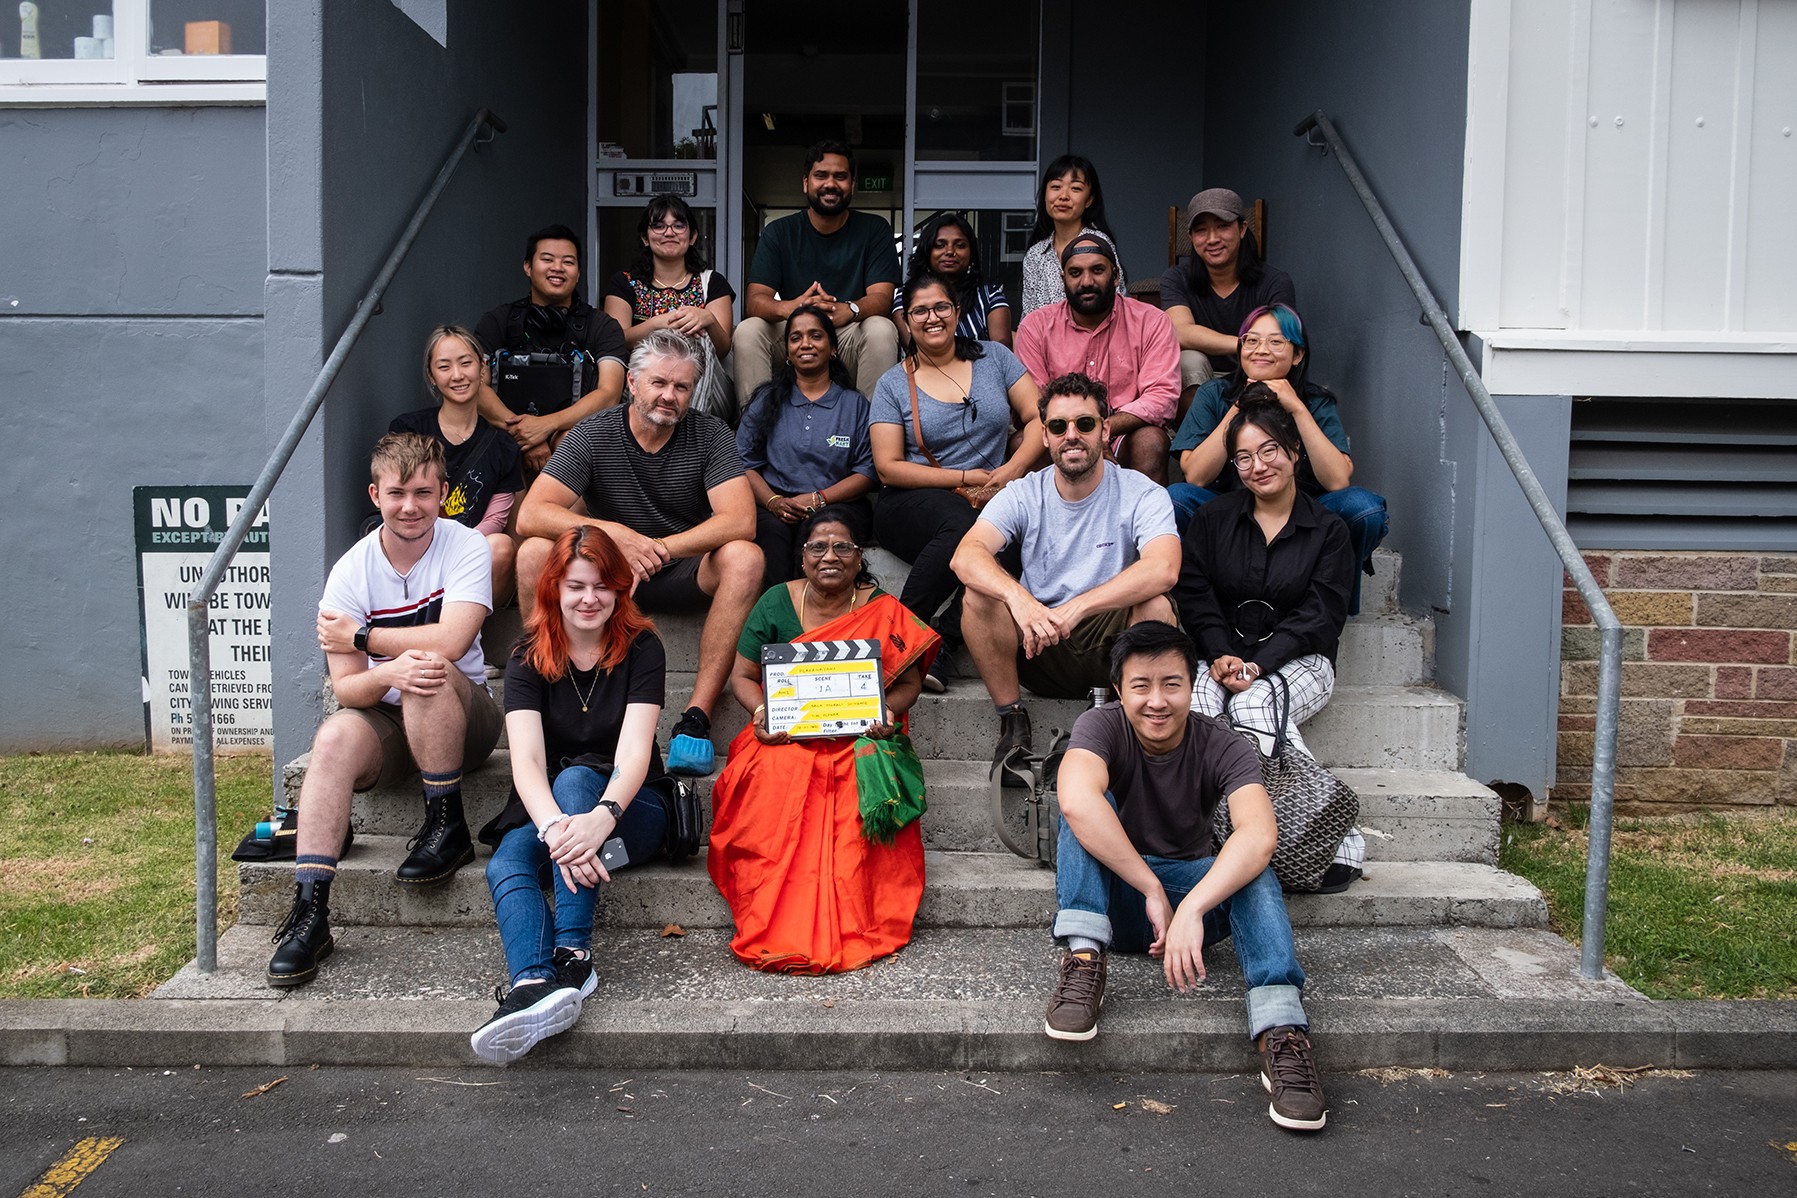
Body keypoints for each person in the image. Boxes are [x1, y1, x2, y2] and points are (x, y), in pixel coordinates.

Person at [1046, 621, 1329, 1131]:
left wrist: (1193, 906)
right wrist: (1151, 888)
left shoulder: (1223, 744)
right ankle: (1085, 957)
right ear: (1119, 690)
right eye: (1141, 686)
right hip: (1119, 898)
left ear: (1192, 686)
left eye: (1171, 684)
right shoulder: (1100, 726)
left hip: (1190, 904)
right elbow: (1077, 800)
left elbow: (1258, 833)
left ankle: (1282, 1031)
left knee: (1253, 870)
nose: (1157, 701)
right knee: (1085, 811)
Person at [266, 433, 501, 988]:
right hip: (389, 719)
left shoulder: (466, 546)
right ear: (375, 494)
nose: (410, 506)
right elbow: (347, 690)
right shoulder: (350, 572)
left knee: (427, 668)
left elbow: (452, 639)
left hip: (465, 715)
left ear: (444, 492)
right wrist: (386, 673)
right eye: (397, 493)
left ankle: (447, 825)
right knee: (333, 739)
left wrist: (368, 637)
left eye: (424, 492)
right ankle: (311, 911)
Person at [515, 328, 762, 777]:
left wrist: (659, 548)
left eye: (682, 387)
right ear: (632, 383)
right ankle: (546, 686)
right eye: (659, 383)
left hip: (679, 569)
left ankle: (695, 719)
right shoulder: (593, 433)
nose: (669, 396)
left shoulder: (710, 433)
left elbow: (740, 520)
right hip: (606, 576)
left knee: (745, 557)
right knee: (533, 551)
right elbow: (531, 514)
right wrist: (611, 535)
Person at [707, 506, 940, 973]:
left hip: (862, 735)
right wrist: (761, 711)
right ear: (802, 557)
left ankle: (856, 912)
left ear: (859, 557)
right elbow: (742, 676)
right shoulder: (775, 601)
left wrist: (889, 712)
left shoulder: (881, 609)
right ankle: (775, 906)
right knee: (773, 778)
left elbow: (908, 683)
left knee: (860, 789)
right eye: (817, 546)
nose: (829, 556)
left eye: (842, 547)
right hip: (787, 734)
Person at [470, 526, 669, 1063]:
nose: (589, 599)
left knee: (580, 778)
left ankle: (573, 954)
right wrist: (560, 828)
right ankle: (533, 986)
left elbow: (634, 757)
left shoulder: (642, 647)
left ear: (619, 589)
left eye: (602, 586)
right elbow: (527, 762)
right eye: (576, 586)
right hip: (555, 814)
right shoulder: (527, 657)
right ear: (553, 588)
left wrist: (598, 820)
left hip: (633, 812)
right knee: (508, 860)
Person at [1175, 389, 1363, 889]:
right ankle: (1216, 836)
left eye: (1268, 451)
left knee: (1255, 707)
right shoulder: (1214, 520)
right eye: (1242, 457)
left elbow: (1320, 617)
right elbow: (1194, 595)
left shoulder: (1329, 530)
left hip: (1302, 661)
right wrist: (1218, 654)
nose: (1257, 465)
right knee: (1196, 711)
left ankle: (1337, 842)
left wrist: (1258, 665)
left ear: (1294, 453)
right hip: (1221, 655)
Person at [952, 372, 1180, 772]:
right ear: (1044, 435)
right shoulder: (1025, 491)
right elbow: (965, 556)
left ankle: (1122, 725)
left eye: (1085, 424)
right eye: (1059, 426)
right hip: (1037, 644)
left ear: (1105, 430)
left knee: (1156, 607)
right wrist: (1019, 599)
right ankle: (1013, 722)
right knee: (978, 595)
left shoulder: (1141, 491)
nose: (1071, 434)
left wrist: (1076, 608)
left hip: (1112, 644)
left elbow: (1163, 567)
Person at [870, 273, 1046, 691]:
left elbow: (1041, 418)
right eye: (920, 311)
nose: (932, 318)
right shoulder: (894, 382)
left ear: (958, 313)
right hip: (910, 501)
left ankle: (944, 644)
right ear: (906, 322)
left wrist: (1011, 471)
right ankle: (900, 637)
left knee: (1023, 537)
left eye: (941, 307)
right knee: (968, 525)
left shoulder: (996, 358)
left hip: (992, 493)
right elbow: (888, 466)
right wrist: (967, 476)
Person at [1168, 303, 1388, 614]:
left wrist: (1297, 408)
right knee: (1174, 500)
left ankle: (1333, 605)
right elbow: (1197, 476)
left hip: (1301, 516)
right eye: (1252, 340)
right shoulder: (1214, 394)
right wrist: (1239, 406)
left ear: (1297, 354)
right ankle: (1202, 600)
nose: (1261, 350)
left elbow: (1338, 480)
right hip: (1230, 511)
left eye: (1276, 341)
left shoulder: (1314, 401)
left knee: (1363, 510)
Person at [735, 140, 903, 408]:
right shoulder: (779, 232)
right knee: (748, 330)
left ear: (853, 185)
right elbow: (755, 300)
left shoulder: (875, 229)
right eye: (821, 175)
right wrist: (796, 308)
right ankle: (754, 431)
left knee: (881, 329)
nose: (830, 184)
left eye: (840, 176)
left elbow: (882, 297)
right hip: (796, 330)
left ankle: (873, 435)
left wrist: (849, 309)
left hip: (847, 332)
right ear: (806, 183)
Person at [1014, 233, 1180, 483]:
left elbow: (1162, 397)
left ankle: (1147, 521)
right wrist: (1082, 429)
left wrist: (1103, 428)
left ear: (1115, 277)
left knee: (1151, 441)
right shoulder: (1035, 327)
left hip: (1124, 431)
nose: (1086, 281)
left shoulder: (1151, 321)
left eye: (1097, 270)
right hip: (1061, 431)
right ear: (1063, 279)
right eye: (1075, 273)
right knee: (1022, 443)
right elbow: (1036, 403)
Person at [735, 304, 877, 589]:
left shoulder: (855, 404)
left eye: (816, 336)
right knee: (771, 539)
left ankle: (819, 627)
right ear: (787, 352)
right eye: (796, 338)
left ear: (833, 348)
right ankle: (781, 623)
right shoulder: (766, 400)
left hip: (837, 504)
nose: (805, 344)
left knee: (817, 535)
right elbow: (743, 464)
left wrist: (819, 499)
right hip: (775, 502)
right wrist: (773, 502)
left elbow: (867, 472)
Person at [388, 325, 524, 609]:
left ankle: (462, 635)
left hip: (469, 552)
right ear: (432, 375)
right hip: (417, 545)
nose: (458, 375)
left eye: (466, 363)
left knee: (500, 547)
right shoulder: (409, 429)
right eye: (444, 366)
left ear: (483, 368)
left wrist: (455, 547)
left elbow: (496, 520)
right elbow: (401, 498)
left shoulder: (502, 445)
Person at [474, 224, 629, 471]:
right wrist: (525, 435)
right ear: (528, 266)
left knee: (571, 442)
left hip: (573, 436)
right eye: (547, 259)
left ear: (578, 273)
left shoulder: (602, 326)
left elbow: (609, 394)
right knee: (505, 447)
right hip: (508, 434)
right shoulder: (497, 321)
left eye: (568, 262)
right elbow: (475, 387)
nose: (557, 268)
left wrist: (546, 426)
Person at [601, 193, 737, 420]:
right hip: (642, 391)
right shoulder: (625, 282)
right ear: (645, 237)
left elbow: (722, 349)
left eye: (678, 225)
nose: (669, 232)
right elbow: (616, 340)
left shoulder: (712, 282)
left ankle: (690, 426)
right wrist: (658, 324)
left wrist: (708, 320)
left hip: (709, 395)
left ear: (692, 236)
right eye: (658, 226)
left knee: (695, 331)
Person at [1159, 188, 1297, 407]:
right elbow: (1180, 332)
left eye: (1223, 226)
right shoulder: (1176, 278)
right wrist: (1244, 343)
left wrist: (1251, 351)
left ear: (1242, 229)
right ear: (1191, 237)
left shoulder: (1275, 281)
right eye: (1201, 230)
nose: (1212, 239)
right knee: (1189, 360)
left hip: (1255, 371)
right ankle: (1197, 437)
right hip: (1201, 377)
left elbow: (1279, 344)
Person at [1019, 154, 1126, 318]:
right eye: (1055, 187)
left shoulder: (1099, 244)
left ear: (1089, 199)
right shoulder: (1035, 254)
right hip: (1045, 342)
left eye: (1075, 188)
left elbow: (1118, 308)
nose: (1063, 196)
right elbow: (1029, 318)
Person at [895, 211, 1011, 348]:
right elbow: (916, 349)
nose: (950, 251)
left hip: (983, 368)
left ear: (971, 253)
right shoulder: (905, 296)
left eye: (960, 245)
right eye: (940, 245)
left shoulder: (989, 295)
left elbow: (1001, 349)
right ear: (927, 252)